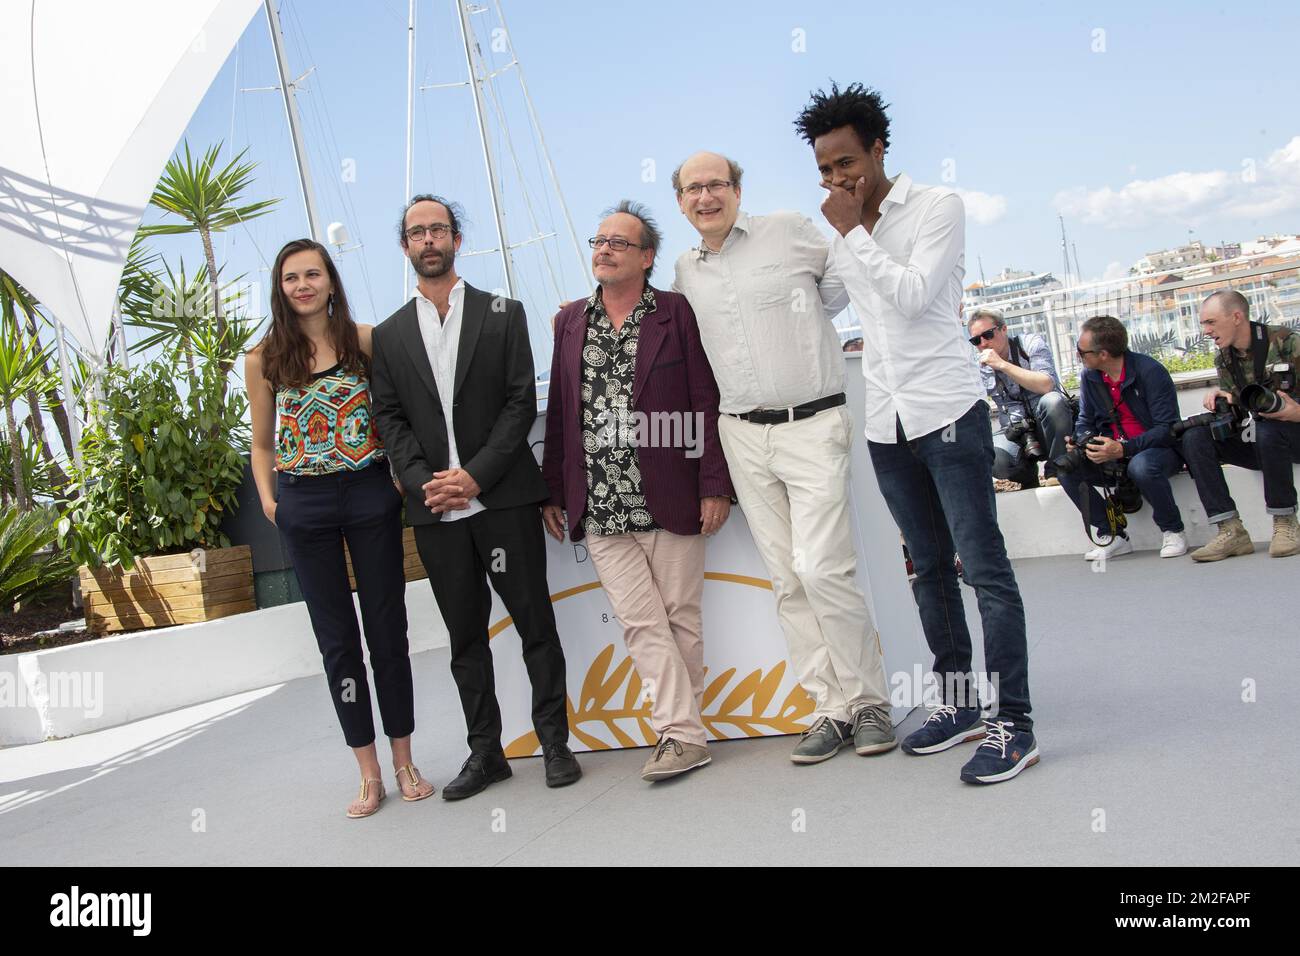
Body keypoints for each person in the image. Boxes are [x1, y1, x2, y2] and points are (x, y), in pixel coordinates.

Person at [794, 81, 1038, 784]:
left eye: (847, 163)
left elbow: (909, 295)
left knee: (983, 569)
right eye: (826, 171)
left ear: (877, 149)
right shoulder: (843, 233)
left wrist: (849, 232)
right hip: (886, 422)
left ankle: (1014, 723)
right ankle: (959, 705)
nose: (838, 180)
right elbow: (822, 298)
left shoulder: (936, 207)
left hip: (949, 413)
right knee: (926, 569)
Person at [670, 150, 896, 766]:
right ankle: (829, 708)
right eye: (693, 189)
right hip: (742, 435)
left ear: (738, 190)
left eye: (716, 184)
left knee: (824, 568)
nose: (706, 196)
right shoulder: (684, 271)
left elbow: (837, 289)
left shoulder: (790, 230)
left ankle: (870, 702)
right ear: (681, 202)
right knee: (788, 580)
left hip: (813, 421)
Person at [369, 194, 581, 799]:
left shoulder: (503, 313)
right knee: (465, 640)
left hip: (503, 501)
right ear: (406, 246)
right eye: (417, 232)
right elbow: (389, 419)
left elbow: (521, 403)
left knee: (535, 624)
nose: (429, 240)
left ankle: (555, 744)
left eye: (439, 230)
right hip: (437, 513)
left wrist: (476, 476)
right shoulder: (387, 335)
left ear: (457, 240)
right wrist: (426, 483)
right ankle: (486, 753)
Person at [542, 201, 733, 782]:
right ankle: (681, 735)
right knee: (641, 622)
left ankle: (681, 735)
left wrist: (712, 483)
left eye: (619, 242)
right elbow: (560, 416)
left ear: (647, 257)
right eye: (599, 239)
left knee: (679, 616)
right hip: (599, 502)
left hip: (670, 491)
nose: (604, 248)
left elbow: (705, 400)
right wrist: (553, 490)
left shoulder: (675, 313)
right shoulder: (569, 320)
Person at [246, 238, 436, 818]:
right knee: (337, 643)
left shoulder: (365, 341)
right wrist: (273, 504)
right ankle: (368, 772)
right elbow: (261, 442)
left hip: (369, 492)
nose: (302, 285)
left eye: (312, 274)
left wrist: (398, 481)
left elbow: (398, 412)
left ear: (330, 281)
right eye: (290, 278)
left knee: (387, 631)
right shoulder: (263, 359)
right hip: (303, 503)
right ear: (280, 290)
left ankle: (405, 759)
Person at [1182, 289, 1300, 561]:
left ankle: (1285, 522)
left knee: (1270, 428)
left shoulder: (1286, 342)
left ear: (1236, 317)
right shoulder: (1223, 358)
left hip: (1293, 435)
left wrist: (1295, 413)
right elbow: (1244, 409)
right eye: (1203, 324)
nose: (1206, 331)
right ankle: (1230, 530)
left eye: (1211, 322)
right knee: (1195, 438)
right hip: (1263, 438)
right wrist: (1227, 402)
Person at [1059, 315, 1188, 560]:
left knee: (1141, 466)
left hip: (1157, 450)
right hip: (1113, 450)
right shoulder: (1090, 376)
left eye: (1081, 351)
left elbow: (1167, 428)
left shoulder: (1150, 371)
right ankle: (1113, 534)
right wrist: (1083, 440)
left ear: (1103, 354)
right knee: (1065, 469)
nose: (1079, 356)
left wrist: (1123, 448)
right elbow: (1085, 419)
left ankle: (1173, 529)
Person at [967, 308, 1073, 488]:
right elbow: (971, 403)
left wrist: (1002, 365)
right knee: (992, 455)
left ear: (1003, 329)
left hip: (1047, 422)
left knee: (1053, 402)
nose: (983, 343)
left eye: (988, 335)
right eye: (976, 340)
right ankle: (1027, 478)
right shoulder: (978, 365)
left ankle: (1056, 469)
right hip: (1016, 430)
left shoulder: (1030, 343)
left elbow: (1046, 384)